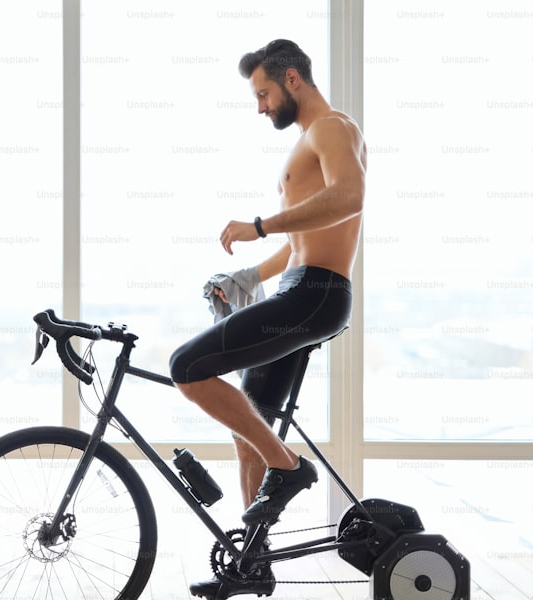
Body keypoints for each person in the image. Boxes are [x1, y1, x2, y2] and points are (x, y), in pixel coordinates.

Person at [169, 39, 366, 598]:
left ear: (292, 80)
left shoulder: (330, 129)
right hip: (303, 287)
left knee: (187, 366)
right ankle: (251, 564)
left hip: (316, 294)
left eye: (263, 93)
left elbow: (350, 197)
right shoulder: (311, 139)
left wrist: (258, 224)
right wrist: (249, 277)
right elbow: (305, 240)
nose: (260, 107)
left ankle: (289, 469)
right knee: (247, 427)